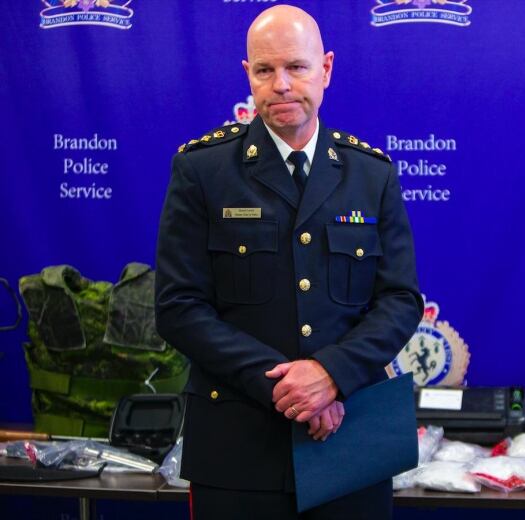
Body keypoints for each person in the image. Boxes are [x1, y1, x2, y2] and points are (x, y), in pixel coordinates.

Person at [154, 4, 423, 519]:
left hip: (350, 443)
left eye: (296, 67)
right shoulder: (202, 171)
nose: (280, 84)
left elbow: (399, 299)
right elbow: (179, 307)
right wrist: (291, 388)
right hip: (237, 451)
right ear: (247, 75)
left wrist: (331, 374)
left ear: (325, 69)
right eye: (265, 70)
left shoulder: (371, 174)